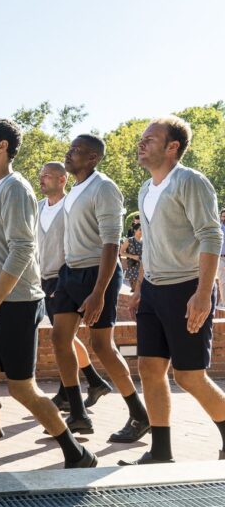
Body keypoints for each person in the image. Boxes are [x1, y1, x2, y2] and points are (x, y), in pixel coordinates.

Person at [0, 118, 97, 472]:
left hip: (14, 305)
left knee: (22, 388)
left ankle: (76, 453)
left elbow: (22, 249)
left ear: (2, 146)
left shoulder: (15, 189)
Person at [119, 116, 225, 465]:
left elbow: (211, 236)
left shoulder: (190, 182)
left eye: (150, 139)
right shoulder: (146, 189)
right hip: (153, 290)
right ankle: (161, 452)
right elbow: (150, 242)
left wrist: (202, 294)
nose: (141, 143)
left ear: (172, 147)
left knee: (190, 376)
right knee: (149, 368)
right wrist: (138, 289)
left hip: (187, 289)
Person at [50, 134, 149, 442]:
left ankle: (139, 414)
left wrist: (98, 292)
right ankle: (78, 414)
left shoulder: (104, 188)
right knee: (59, 337)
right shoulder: (75, 190)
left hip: (97, 275)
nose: (69, 154)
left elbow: (110, 245)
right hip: (70, 273)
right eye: (69, 149)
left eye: (76, 151)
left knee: (103, 347)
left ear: (92, 158)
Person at [37, 161, 112, 412]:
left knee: (63, 338)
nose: (42, 179)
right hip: (45, 278)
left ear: (62, 180)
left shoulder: (71, 207)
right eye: (41, 175)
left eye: (48, 175)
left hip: (67, 277)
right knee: (64, 338)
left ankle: (73, 393)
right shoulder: (37, 209)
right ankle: (90, 382)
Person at [120, 223, 143, 292]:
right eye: (140, 230)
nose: (142, 232)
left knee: (143, 291)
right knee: (135, 290)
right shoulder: (129, 240)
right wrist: (133, 256)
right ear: (135, 230)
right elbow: (121, 252)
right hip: (133, 267)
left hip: (143, 268)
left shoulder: (145, 240)